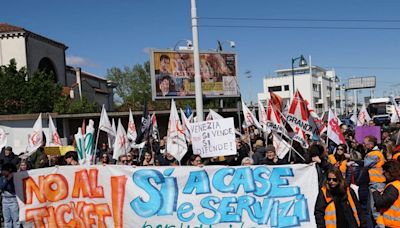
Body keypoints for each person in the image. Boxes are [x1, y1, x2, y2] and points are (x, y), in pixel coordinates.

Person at [373, 161, 400, 227]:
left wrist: (375, 192)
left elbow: (381, 203)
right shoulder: (397, 184)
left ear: (389, 172)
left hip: (393, 224)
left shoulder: (393, 187)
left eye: (384, 171)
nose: (382, 173)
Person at [0, 163, 20, 228]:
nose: (2, 172)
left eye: (4, 171)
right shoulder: (2, 178)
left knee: (16, 220)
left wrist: (11, 179)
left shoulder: (15, 178)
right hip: (5, 200)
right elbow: (2, 186)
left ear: (9, 170)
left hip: (13, 200)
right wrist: (7, 179)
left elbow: (13, 189)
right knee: (7, 220)